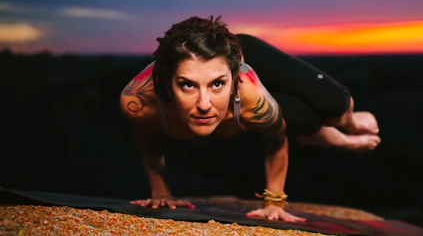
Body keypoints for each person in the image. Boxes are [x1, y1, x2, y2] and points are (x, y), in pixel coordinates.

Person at [119, 15, 381, 223]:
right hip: (238, 99)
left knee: (332, 105)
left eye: (217, 85)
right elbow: (149, 141)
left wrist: (274, 203)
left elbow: (276, 139)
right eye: (188, 86)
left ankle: (351, 124)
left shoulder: (250, 94)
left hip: (249, 59)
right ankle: (346, 142)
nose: (204, 104)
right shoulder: (138, 101)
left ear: (233, 81)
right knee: (300, 117)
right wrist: (161, 192)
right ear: (166, 82)